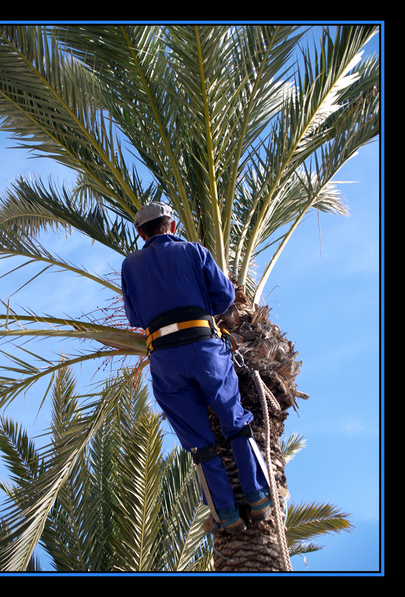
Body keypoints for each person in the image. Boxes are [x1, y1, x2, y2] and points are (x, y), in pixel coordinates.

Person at [121, 202, 270, 534]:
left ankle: (226, 514)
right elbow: (224, 296)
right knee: (234, 422)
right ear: (172, 225)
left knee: (199, 444)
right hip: (205, 349)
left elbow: (134, 318)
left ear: (141, 233)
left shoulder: (129, 265)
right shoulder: (195, 251)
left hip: (164, 358)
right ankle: (259, 498)